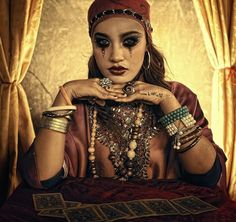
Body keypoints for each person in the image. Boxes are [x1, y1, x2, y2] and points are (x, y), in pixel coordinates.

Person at [19, 0, 227, 190]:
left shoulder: (178, 96)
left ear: (147, 41)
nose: (116, 56)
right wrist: (67, 92)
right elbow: (42, 178)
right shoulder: (78, 106)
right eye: (102, 43)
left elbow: (208, 176)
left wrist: (167, 102)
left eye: (129, 42)